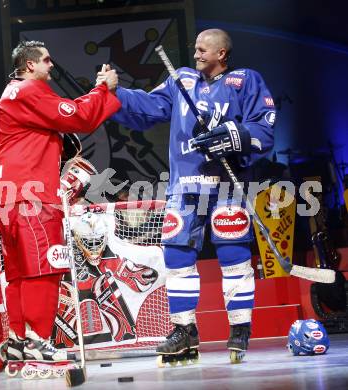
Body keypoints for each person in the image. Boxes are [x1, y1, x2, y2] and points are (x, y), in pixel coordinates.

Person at [98, 29, 276, 363]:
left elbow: (264, 128)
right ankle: (184, 329)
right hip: (185, 186)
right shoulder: (183, 80)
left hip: (227, 185)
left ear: (222, 53)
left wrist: (233, 136)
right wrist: (116, 91)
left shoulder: (245, 81)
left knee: (234, 254)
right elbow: (148, 106)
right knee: (177, 257)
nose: (195, 54)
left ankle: (239, 327)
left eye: (202, 49)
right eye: (194, 49)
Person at [0, 40, 121, 367]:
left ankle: (18, 341)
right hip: (29, 193)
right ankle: (38, 340)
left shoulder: (11, 95)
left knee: (19, 272)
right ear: (29, 65)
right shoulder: (28, 90)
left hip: (5, 195)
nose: (51, 65)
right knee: (45, 266)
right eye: (46, 60)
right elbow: (80, 117)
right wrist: (103, 89)